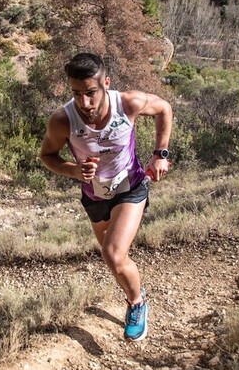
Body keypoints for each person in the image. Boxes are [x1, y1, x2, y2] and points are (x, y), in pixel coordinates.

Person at [39, 52, 172, 342]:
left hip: (131, 187)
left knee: (113, 253)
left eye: (91, 93)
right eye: (76, 94)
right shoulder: (63, 120)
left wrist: (161, 154)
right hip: (94, 196)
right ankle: (132, 288)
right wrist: (74, 171)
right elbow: (47, 156)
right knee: (112, 260)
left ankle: (137, 303)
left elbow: (164, 109)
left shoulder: (128, 103)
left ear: (106, 83)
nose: (84, 103)